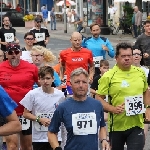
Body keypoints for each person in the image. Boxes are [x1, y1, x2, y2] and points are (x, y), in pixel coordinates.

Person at [96, 42, 150, 150]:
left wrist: (148, 108)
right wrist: (112, 109)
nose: (127, 59)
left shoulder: (141, 73)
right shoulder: (108, 76)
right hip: (116, 126)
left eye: (129, 56)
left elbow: (146, 91)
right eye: (123, 56)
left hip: (137, 124)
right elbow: (98, 98)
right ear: (116, 58)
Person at [48, 67, 110, 150]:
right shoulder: (63, 107)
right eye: (77, 82)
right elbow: (51, 132)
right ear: (71, 84)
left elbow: (102, 126)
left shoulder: (97, 105)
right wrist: (57, 148)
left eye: (84, 82)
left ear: (88, 84)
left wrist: (104, 140)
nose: (81, 85)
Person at [0, 43, 39, 150]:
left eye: (16, 52)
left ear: (20, 53)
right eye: (10, 52)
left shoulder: (31, 68)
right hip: (8, 113)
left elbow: (40, 86)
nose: (14, 55)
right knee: (12, 146)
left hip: (26, 113)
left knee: (27, 147)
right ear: (6, 55)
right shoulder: (0, 68)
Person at [20, 66, 64, 150]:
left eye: (48, 78)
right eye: (43, 78)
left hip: (56, 136)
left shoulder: (60, 95)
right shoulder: (32, 94)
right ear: (39, 80)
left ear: (53, 79)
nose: (45, 81)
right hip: (39, 137)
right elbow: (25, 114)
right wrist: (39, 119)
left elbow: (62, 114)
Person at [60, 32, 94, 96]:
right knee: (72, 103)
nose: (77, 42)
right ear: (71, 40)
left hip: (84, 83)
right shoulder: (64, 53)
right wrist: (61, 76)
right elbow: (62, 65)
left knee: (84, 103)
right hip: (70, 84)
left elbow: (92, 66)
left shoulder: (88, 52)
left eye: (79, 40)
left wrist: (90, 76)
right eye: (75, 40)